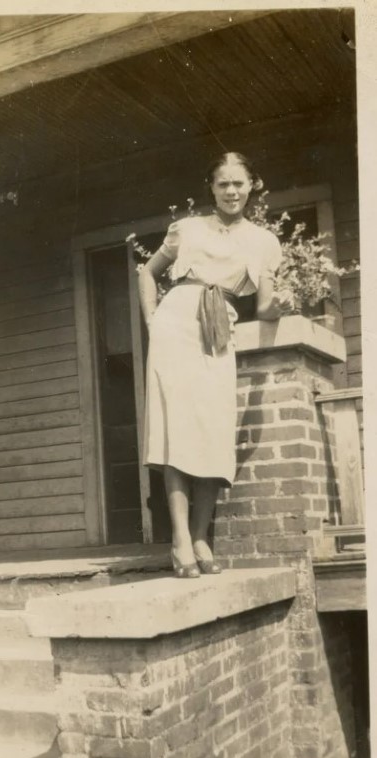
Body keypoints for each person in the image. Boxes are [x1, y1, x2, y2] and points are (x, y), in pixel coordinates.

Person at [138, 151, 293, 578]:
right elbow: (148, 273)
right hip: (177, 324)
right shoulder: (186, 230)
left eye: (239, 183)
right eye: (223, 183)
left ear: (252, 186)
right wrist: (153, 321)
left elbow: (263, 306)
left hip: (218, 329)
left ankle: (202, 533)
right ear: (211, 187)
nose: (231, 191)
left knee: (211, 430)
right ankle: (182, 541)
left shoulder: (263, 241)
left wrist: (279, 304)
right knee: (177, 430)